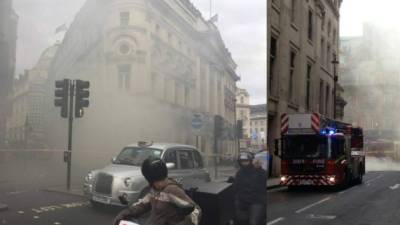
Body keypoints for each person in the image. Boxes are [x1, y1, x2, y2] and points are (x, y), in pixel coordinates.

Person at [113, 157, 201, 225]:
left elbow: (196, 211)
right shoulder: (155, 191)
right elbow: (142, 205)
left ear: (149, 178)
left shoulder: (171, 190)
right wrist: (126, 213)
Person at [233, 151, 267, 225]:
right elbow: (235, 187)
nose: (244, 163)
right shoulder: (239, 173)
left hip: (256, 201)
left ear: (251, 161)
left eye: (246, 161)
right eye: (242, 161)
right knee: (237, 221)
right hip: (242, 202)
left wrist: (259, 169)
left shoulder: (259, 171)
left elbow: (264, 181)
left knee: (253, 222)